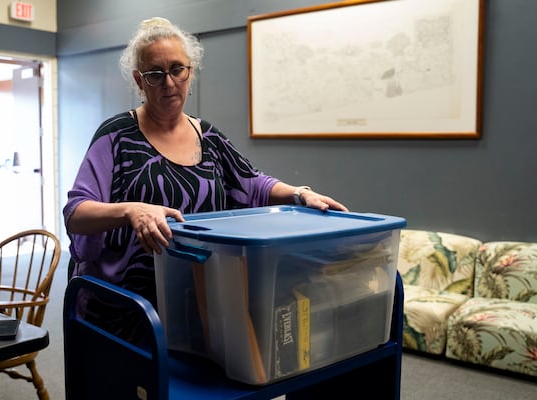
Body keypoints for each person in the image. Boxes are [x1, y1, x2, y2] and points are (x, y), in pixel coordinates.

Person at [63, 17, 348, 342]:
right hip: (124, 310)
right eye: (155, 74)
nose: (169, 83)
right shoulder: (115, 136)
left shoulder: (208, 136)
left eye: (177, 70)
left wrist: (300, 194)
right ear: (139, 81)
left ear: (190, 72)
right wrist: (132, 211)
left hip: (194, 301)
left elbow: (252, 183)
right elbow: (76, 213)